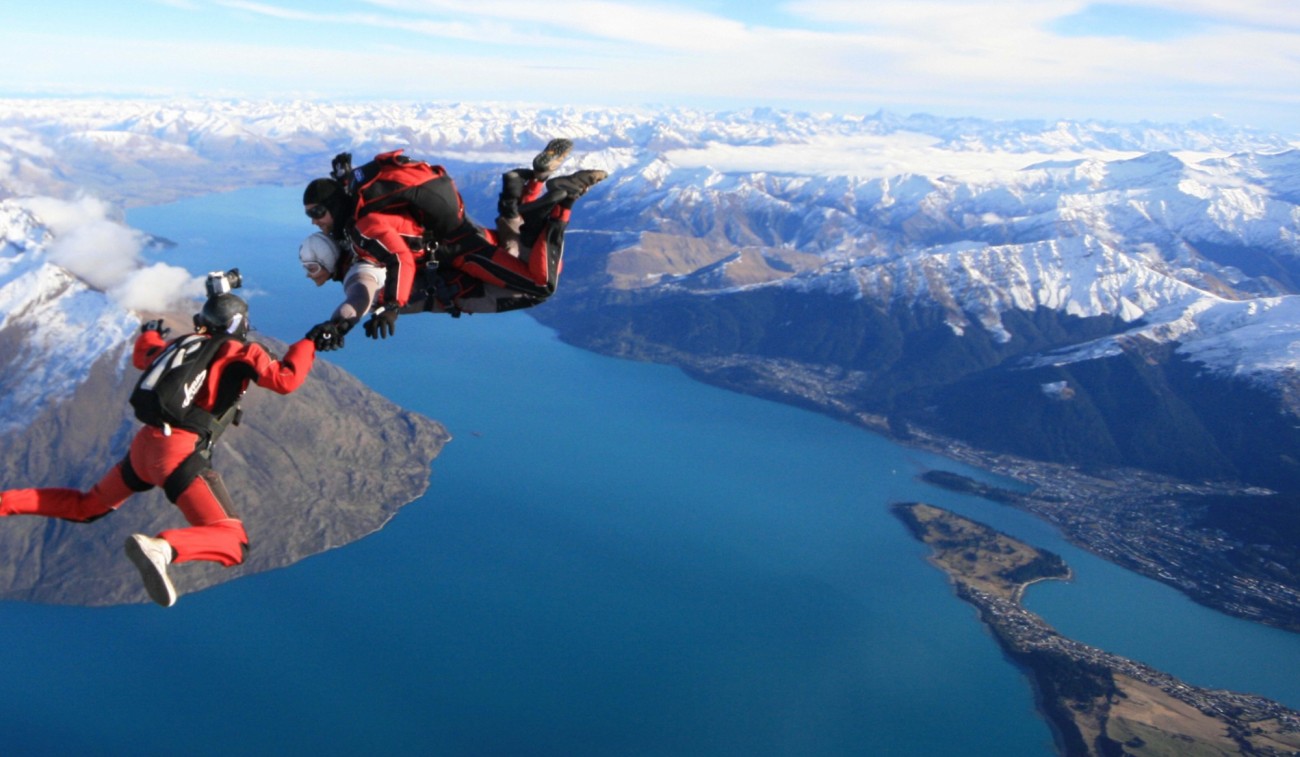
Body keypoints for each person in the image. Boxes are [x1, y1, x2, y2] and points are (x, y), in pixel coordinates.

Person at [0, 284, 322, 607]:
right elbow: (285, 379)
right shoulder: (242, 351)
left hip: (145, 447)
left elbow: (145, 355)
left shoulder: (183, 345)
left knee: (87, 507)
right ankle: (163, 549)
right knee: (234, 542)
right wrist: (309, 343)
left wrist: (151, 333)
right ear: (239, 325)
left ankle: (4, 503)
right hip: (177, 454)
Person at [300, 139, 607, 348]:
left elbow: (366, 290)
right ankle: (525, 186)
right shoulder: (356, 207)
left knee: (540, 285)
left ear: (328, 260)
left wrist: (355, 319)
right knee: (517, 249)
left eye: (311, 266)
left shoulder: (362, 246)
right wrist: (343, 176)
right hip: (456, 234)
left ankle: (563, 201)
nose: (308, 274)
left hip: (460, 251)